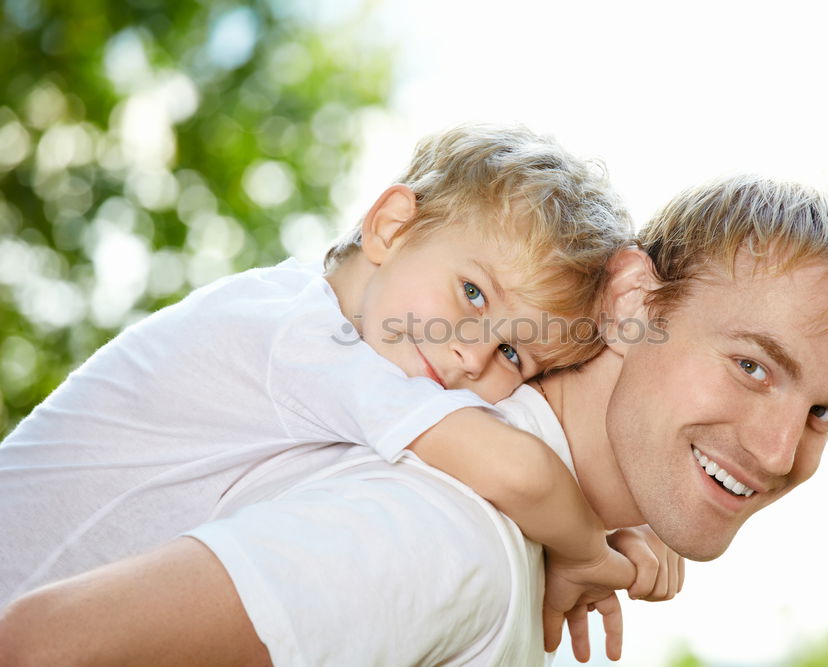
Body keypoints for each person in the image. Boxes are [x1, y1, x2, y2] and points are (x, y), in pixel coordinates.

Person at [0, 174, 828, 665]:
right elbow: (40, 647)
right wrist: (587, 541)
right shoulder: (450, 532)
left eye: (823, 412)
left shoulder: (480, 505)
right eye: (750, 365)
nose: (782, 449)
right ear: (629, 300)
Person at [0, 123, 655, 634]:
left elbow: (511, 439)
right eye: (474, 294)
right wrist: (587, 547)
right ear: (391, 226)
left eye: (515, 354)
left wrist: (635, 516)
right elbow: (519, 471)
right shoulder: (309, 338)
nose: (471, 356)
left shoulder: (348, 337)